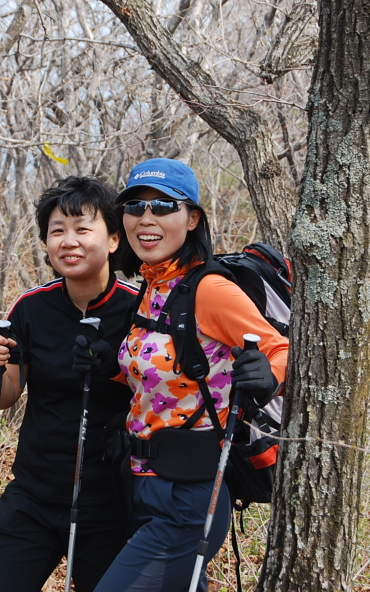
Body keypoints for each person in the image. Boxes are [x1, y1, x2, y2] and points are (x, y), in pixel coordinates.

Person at [79, 158, 288, 592]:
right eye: (135, 208)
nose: (146, 219)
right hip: (141, 486)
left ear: (192, 218)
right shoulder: (153, 289)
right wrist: (111, 369)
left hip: (189, 499)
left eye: (164, 206)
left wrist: (268, 374)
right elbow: (175, 381)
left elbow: (281, 349)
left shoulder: (209, 289)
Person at [0, 176, 139, 592]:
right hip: (34, 496)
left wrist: (117, 369)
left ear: (115, 240)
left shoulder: (139, 308)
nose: (69, 241)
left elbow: (162, 395)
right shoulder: (30, 308)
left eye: (83, 229)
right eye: (57, 232)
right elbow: (6, 396)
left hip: (111, 504)